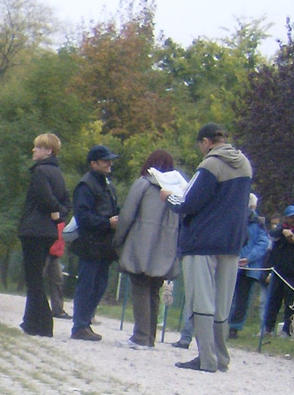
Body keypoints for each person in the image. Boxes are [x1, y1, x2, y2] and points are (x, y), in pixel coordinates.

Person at [161, 123, 251, 372]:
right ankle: (221, 357)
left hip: (202, 241)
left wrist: (168, 196)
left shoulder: (210, 165)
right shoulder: (244, 163)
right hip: (231, 242)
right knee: (223, 303)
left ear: (205, 142)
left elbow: (190, 202)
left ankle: (206, 358)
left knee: (201, 301)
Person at [114, 150, 182, 348]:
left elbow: (127, 215)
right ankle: (149, 337)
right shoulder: (178, 190)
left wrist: (119, 239)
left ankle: (140, 336)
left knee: (140, 287)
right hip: (166, 247)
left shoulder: (143, 184)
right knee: (154, 290)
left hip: (141, 243)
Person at [17, 133, 69, 337]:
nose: (34, 150)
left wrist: (54, 209)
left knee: (34, 278)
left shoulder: (40, 173)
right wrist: (58, 216)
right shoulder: (58, 174)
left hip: (34, 229)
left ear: (48, 151)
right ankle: (30, 320)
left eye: (38, 147)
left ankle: (43, 322)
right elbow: (67, 202)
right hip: (47, 230)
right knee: (36, 276)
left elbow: (44, 197)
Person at [69, 145, 121, 341]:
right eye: (105, 160)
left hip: (104, 246)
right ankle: (79, 325)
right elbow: (82, 216)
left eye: (110, 160)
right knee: (87, 285)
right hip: (90, 244)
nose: (110, 163)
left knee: (99, 285)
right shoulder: (86, 185)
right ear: (94, 163)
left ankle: (86, 322)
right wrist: (107, 223)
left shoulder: (106, 184)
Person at [227, 194, 271, 337]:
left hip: (249, 268)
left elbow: (263, 243)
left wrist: (248, 258)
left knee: (242, 299)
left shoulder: (258, 222)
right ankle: (222, 324)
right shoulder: (234, 218)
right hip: (231, 263)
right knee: (227, 296)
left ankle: (234, 327)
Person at [263, 205, 294, 336]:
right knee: (273, 302)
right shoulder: (281, 229)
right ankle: (267, 329)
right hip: (278, 272)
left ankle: (288, 330)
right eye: (291, 217)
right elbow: (271, 239)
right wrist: (282, 230)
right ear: (286, 218)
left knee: (291, 304)